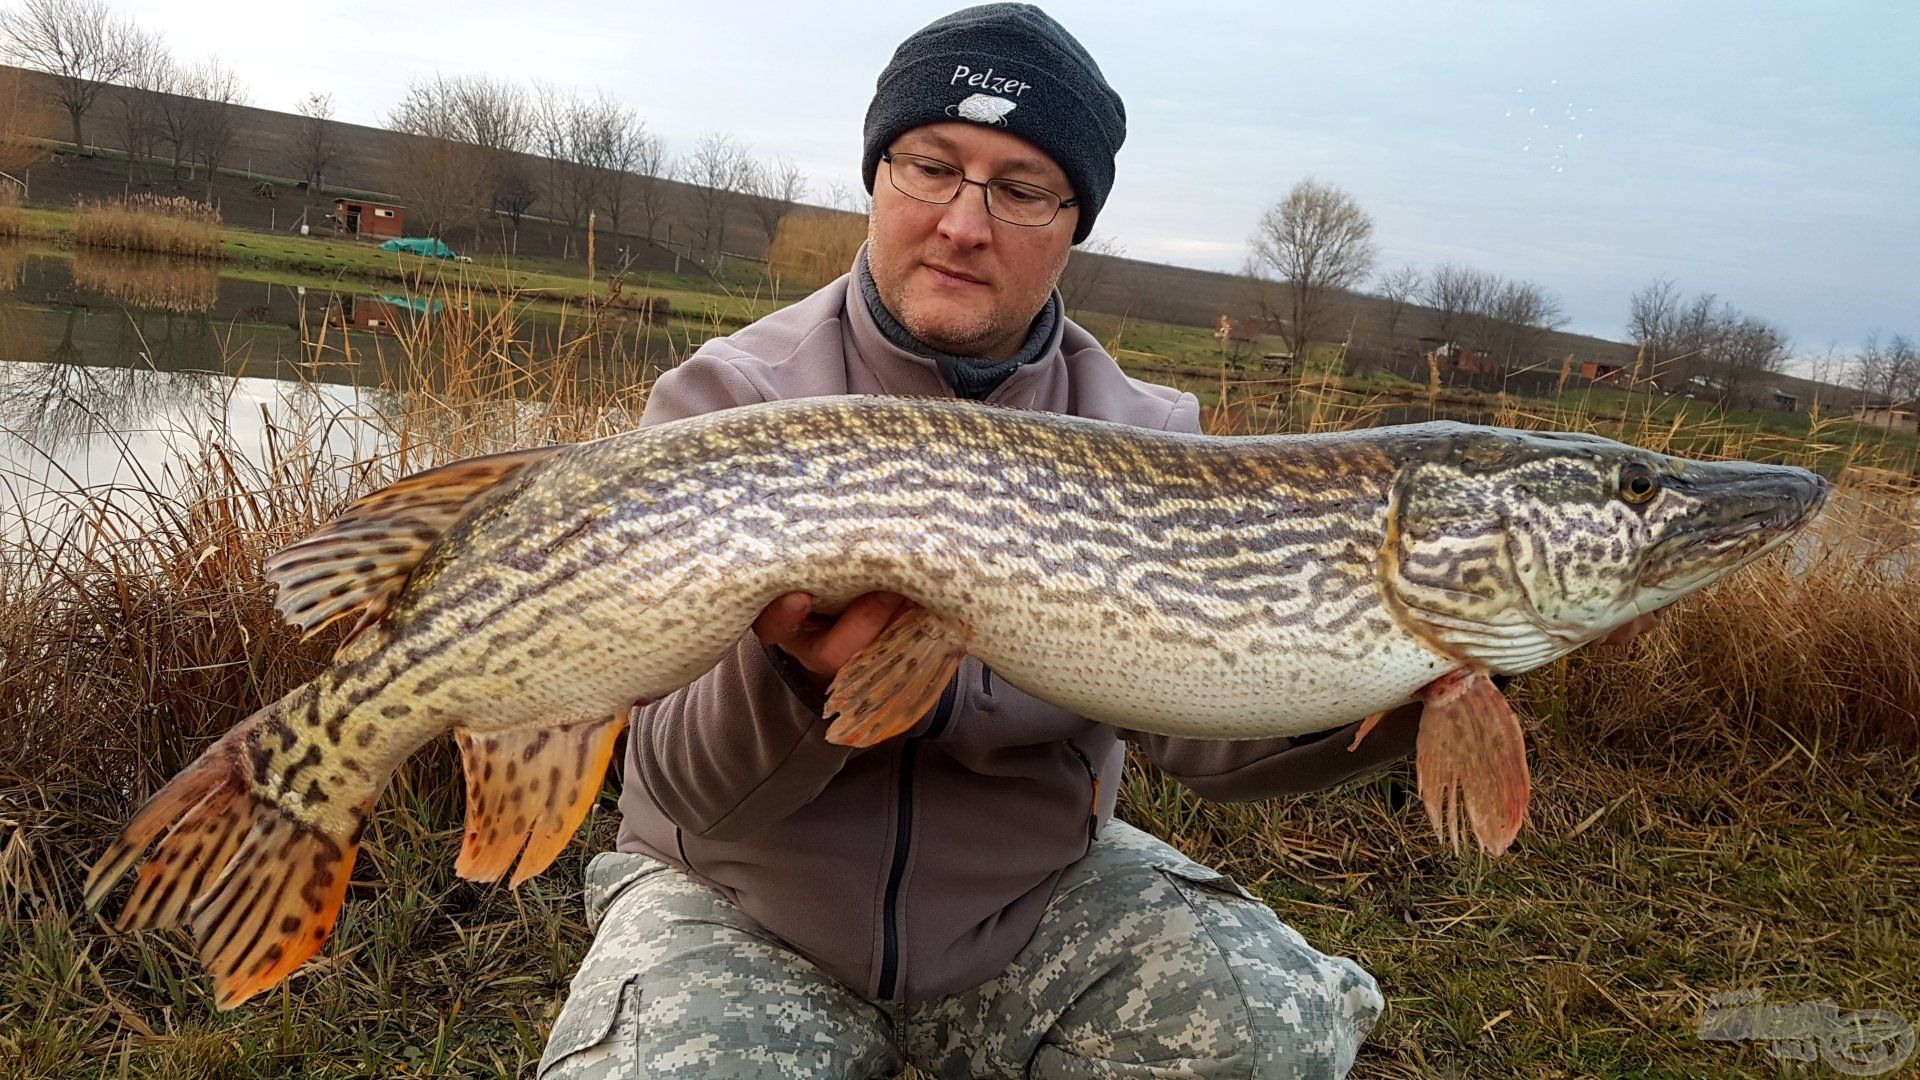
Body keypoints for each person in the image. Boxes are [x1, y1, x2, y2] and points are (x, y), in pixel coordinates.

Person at [542, 6, 1411, 1077]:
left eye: (1021, 187)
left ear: (1073, 220)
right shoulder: (733, 401)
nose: (963, 222)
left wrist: (1406, 676)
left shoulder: (1145, 438)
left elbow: (1213, 741)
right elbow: (686, 790)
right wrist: (793, 678)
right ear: (878, 175)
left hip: (1032, 908)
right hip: (739, 902)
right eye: (932, 167)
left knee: (1266, 1033)